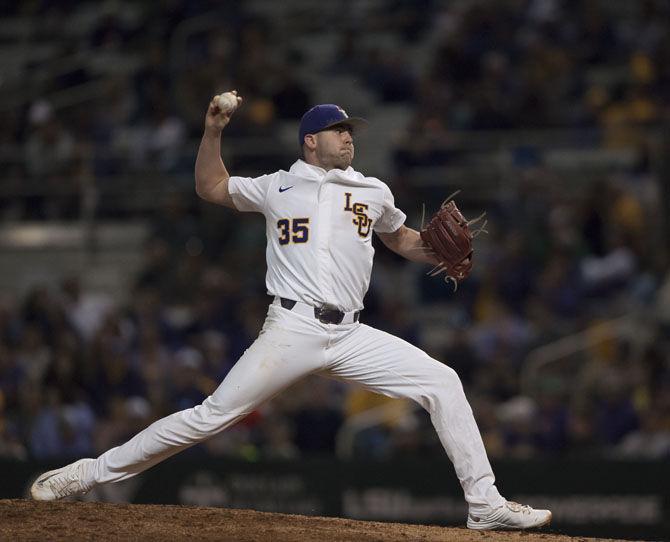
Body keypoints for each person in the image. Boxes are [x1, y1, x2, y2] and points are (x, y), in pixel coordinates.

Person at [31, 93, 552, 531]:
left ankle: (485, 505)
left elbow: (402, 240)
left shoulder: (372, 189)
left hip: (350, 332)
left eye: (351, 130)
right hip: (292, 325)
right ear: (311, 140)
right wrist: (213, 131)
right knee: (210, 416)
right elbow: (210, 187)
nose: (349, 137)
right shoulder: (277, 185)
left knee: (443, 382)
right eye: (338, 130)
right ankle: (89, 472)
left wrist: (438, 250)